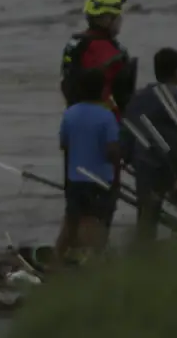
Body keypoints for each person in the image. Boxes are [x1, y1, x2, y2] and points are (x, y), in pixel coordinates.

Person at [120, 46, 177, 242]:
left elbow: (127, 135)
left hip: (146, 166)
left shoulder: (137, 99)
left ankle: (143, 259)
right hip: (176, 167)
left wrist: (129, 158)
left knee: (147, 220)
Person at [54, 66, 121, 265]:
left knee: (71, 222)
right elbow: (112, 151)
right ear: (103, 91)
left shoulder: (70, 114)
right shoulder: (106, 116)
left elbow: (64, 145)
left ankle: (55, 263)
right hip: (100, 179)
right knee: (97, 223)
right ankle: (93, 264)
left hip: (75, 179)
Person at [60, 0, 136, 116]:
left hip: (74, 115)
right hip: (104, 119)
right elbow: (121, 95)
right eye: (117, 17)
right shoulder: (108, 50)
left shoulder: (76, 42)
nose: (120, 21)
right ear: (105, 19)